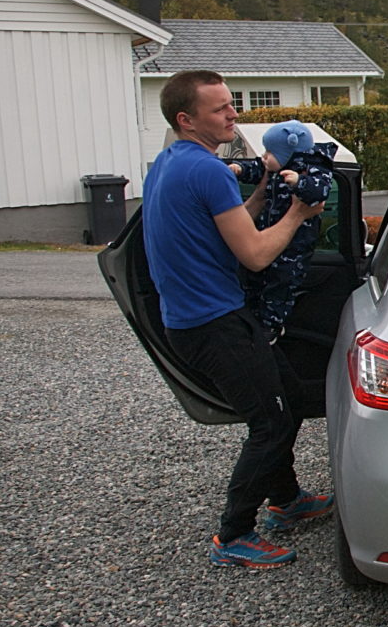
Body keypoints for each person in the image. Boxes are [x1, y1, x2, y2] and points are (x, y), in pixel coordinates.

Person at [142, 71, 335, 569]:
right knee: (269, 423)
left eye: (231, 105)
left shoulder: (171, 163)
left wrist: (267, 191)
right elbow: (253, 255)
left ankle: (288, 500)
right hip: (215, 323)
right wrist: (297, 213)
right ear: (187, 119)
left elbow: (235, 219)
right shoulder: (207, 170)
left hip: (203, 316)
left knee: (289, 397)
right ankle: (234, 535)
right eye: (221, 109)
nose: (234, 115)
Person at [225, 119, 337, 343]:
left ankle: (272, 325)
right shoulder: (274, 169)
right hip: (269, 238)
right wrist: (239, 169)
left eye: (270, 152)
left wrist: (299, 183)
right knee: (255, 278)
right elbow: (256, 168)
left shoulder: (313, 169)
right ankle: (254, 317)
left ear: (289, 154)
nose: (265, 157)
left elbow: (320, 191)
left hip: (294, 247)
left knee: (281, 284)